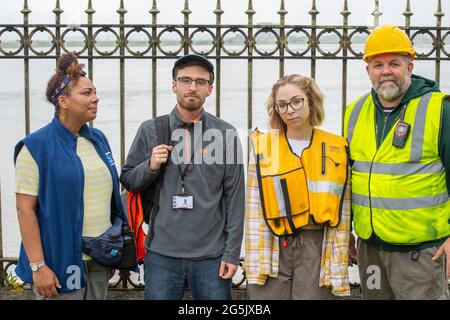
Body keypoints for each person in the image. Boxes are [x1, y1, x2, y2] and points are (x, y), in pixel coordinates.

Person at [120, 54, 245, 300]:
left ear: (210, 89)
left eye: (200, 82)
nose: (192, 87)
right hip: (161, 255)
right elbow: (128, 180)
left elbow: (235, 198)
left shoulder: (225, 133)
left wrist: (232, 253)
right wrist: (151, 166)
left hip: (212, 257)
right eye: (185, 80)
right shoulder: (151, 129)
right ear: (174, 84)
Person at [344, 25, 450, 300]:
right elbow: (349, 178)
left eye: (394, 63)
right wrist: (346, 232)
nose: (386, 71)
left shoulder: (440, 109)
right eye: (377, 64)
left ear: (410, 66)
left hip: (421, 253)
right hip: (371, 248)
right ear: (367, 70)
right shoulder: (354, 112)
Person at [14, 53, 127, 300]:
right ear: (63, 101)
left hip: (99, 258)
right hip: (58, 261)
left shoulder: (98, 139)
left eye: (95, 92)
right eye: (86, 93)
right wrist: (38, 266)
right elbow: (25, 210)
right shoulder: (35, 146)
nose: (96, 98)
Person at [244, 74, 354, 299]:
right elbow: (254, 205)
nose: (290, 110)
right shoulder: (264, 146)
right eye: (282, 105)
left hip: (317, 243)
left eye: (296, 101)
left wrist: (342, 248)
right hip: (272, 242)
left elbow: (344, 208)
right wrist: (254, 257)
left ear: (311, 101)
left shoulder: (336, 147)